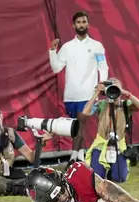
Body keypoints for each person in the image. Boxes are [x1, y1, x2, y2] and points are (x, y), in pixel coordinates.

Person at [49, 11, 109, 162]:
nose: (81, 25)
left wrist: (102, 84)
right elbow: (56, 68)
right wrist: (52, 51)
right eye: (79, 22)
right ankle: (80, 156)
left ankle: (75, 157)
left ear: (88, 24)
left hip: (89, 94)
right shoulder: (67, 47)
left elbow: (103, 67)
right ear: (74, 25)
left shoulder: (96, 46)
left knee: (81, 123)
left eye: (84, 22)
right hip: (71, 95)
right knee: (76, 125)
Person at [80, 78, 139, 182]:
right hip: (101, 144)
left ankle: (111, 173)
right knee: (96, 177)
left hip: (119, 145)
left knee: (120, 178)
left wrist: (124, 92)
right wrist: (97, 93)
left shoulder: (125, 104)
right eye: (111, 88)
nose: (114, 91)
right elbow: (85, 112)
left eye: (116, 88)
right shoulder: (102, 104)